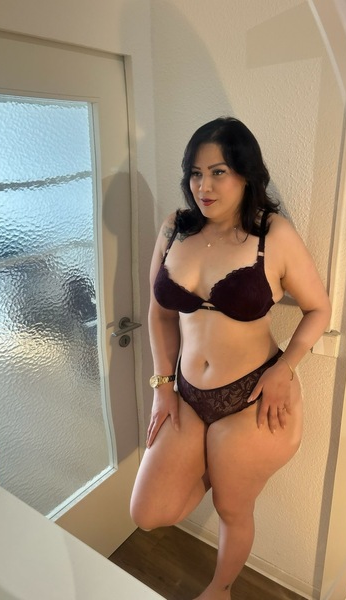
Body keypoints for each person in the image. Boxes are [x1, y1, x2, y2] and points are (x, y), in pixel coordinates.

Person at [130, 117, 331, 600]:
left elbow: (319, 309)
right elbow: (159, 314)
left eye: (218, 172)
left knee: (232, 509)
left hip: (254, 394)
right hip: (186, 393)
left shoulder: (272, 234)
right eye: (195, 174)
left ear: (246, 173)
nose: (204, 186)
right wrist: (162, 387)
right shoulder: (174, 228)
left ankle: (219, 589)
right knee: (148, 513)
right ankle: (215, 460)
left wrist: (285, 369)